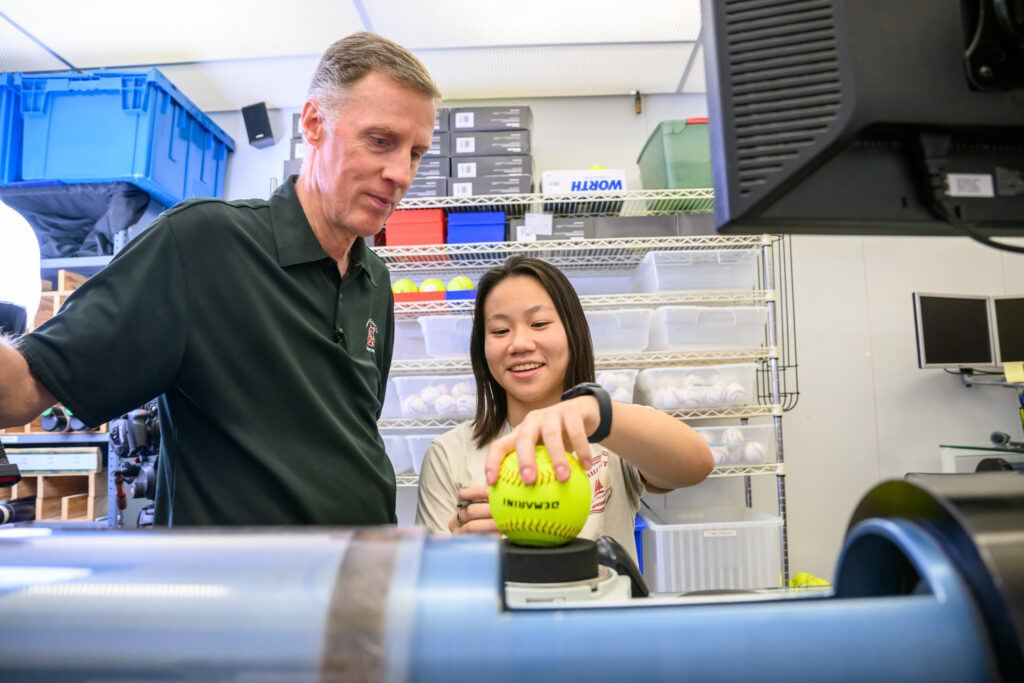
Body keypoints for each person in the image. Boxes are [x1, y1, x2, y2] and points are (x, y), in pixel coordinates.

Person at [0, 32, 441, 526]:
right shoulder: (201, 243)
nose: (401, 173)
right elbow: (19, 390)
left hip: (361, 578)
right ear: (315, 124)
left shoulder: (374, 277)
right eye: (381, 141)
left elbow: (351, 435)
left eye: (416, 153)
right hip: (239, 594)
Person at [415, 257, 714, 559]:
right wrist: (475, 552)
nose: (519, 343)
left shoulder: (614, 432)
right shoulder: (448, 454)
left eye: (539, 324)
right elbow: (433, 585)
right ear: (482, 347)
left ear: (572, 332)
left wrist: (595, 414)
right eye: (500, 330)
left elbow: (696, 466)